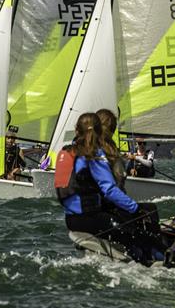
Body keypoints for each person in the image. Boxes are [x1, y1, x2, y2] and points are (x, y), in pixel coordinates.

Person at [55, 113, 165, 264]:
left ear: (76, 130)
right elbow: (109, 190)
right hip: (91, 218)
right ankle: (157, 261)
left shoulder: (66, 152)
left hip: (71, 219)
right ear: (99, 131)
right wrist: (136, 209)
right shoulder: (93, 155)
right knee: (139, 234)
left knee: (131, 226)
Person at [96, 108, 127, 191]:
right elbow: (120, 178)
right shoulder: (113, 154)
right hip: (110, 200)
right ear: (112, 130)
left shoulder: (80, 148)